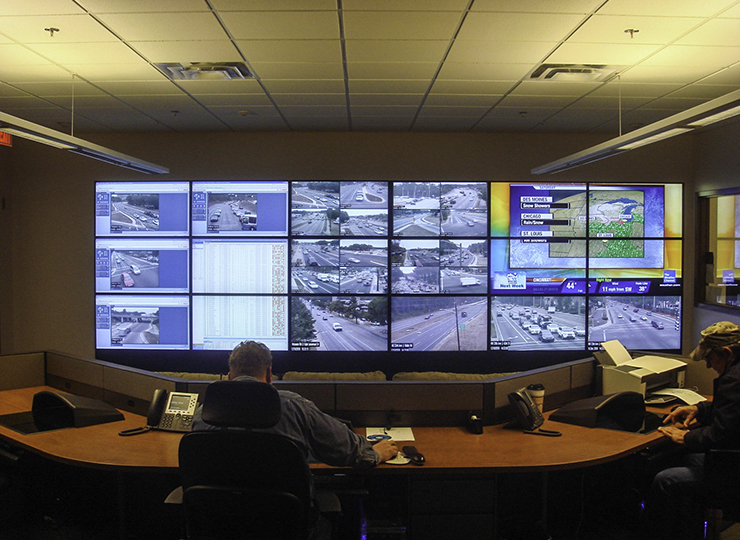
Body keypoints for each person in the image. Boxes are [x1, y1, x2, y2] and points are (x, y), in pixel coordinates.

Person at [192, 340, 398, 468]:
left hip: (220, 523)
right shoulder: (294, 407)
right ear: (270, 376)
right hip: (283, 523)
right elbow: (348, 450)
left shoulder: (204, 415)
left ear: (229, 377)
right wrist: (376, 453)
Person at [644, 321, 740, 540]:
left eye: (709, 358)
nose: (707, 366)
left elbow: (721, 434)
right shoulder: (736, 373)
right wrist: (699, 408)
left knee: (664, 479)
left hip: (733, 470)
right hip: (732, 457)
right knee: (689, 457)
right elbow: (732, 411)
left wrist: (686, 436)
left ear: (726, 353)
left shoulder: (734, 380)